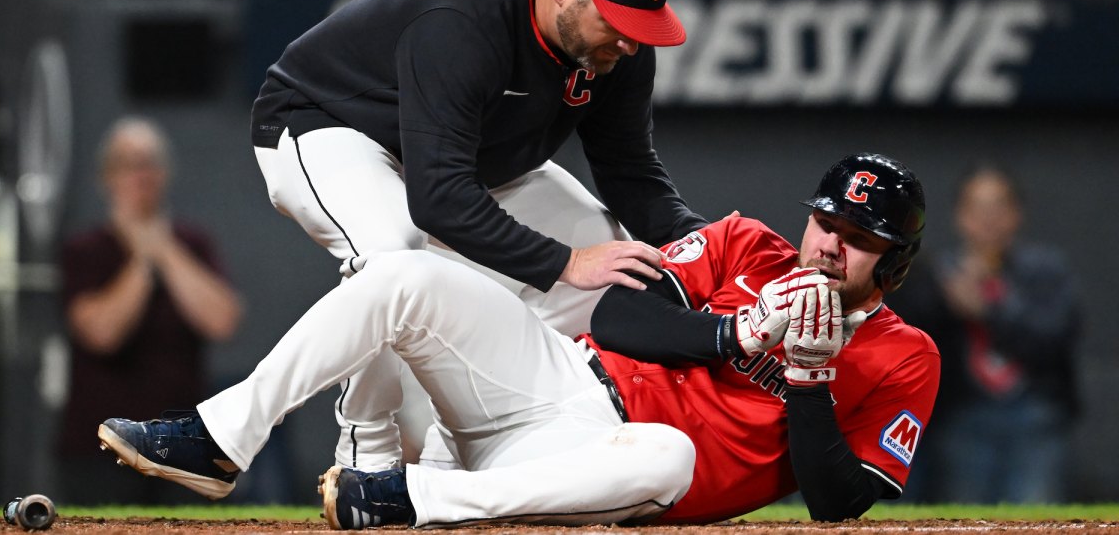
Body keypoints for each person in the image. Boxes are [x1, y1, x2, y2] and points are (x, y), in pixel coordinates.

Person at [97, 152, 939, 526]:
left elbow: (836, 502)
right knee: (400, 271)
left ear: (891, 264)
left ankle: (409, 498)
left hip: (613, 466)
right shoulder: (747, 244)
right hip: (555, 384)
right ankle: (222, 436)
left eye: (857, 238)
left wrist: (807, 374)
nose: (829, 243)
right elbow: (615, 316)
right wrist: (734, 329)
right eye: (825, 220)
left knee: (668, 457)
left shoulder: (906, 356)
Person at [247, 0, 705, 470]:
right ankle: (367, 447)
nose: (631, 44)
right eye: (617, 22)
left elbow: (629, 170)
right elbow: (438, 198)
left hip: (464, 162)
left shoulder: (617, 41)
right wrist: (565, 260)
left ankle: (454, 454)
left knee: (611, 256)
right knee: (394, 255)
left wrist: (709, 244)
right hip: (328, 126)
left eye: (641, 25)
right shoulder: (464, 10)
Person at [56, 116, 243, 504]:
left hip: (181, 449)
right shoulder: (86, 250)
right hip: (98, 450)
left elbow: (223, 320)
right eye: (128, 164)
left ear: (165, 173)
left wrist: (164, 249)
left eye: (150, 163)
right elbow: (102, 334)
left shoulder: (192, 244)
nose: (141, 175)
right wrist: (143, 258)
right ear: (106, 176)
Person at [888, 163, 1081, 504]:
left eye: (998, 207)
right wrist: (944, 302)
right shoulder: (935, 273)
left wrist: (990, 311)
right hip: (962, 418)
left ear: (1016, 213)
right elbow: (907, 343)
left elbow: (1055, 338)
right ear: (959, 215)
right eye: (977, 208)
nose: (988, 219)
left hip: (1034, 418)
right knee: (966, 515)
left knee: (1037, 513)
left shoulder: (1045, 271)